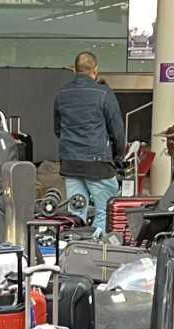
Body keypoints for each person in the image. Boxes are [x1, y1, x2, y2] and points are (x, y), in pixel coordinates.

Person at [52, 51, 126, 238]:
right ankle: (95, 251)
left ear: (74, 69)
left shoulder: (62, 94)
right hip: (98, 164)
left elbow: (57, 130)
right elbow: (117, 130)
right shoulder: (103, 93)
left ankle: (75, 251)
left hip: (70, 163)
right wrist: (117, 156)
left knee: (77, 213)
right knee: (106, 212)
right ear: (95, 70)